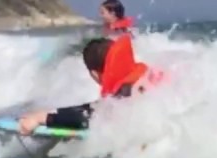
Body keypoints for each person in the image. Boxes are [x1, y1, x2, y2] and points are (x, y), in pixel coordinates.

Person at [15, 35, 164, 134]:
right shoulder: (142, 77)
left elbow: (90, 118)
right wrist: (52, 112)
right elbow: (98, 107)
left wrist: (42, 119)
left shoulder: (125, 92)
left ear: (94, 74)